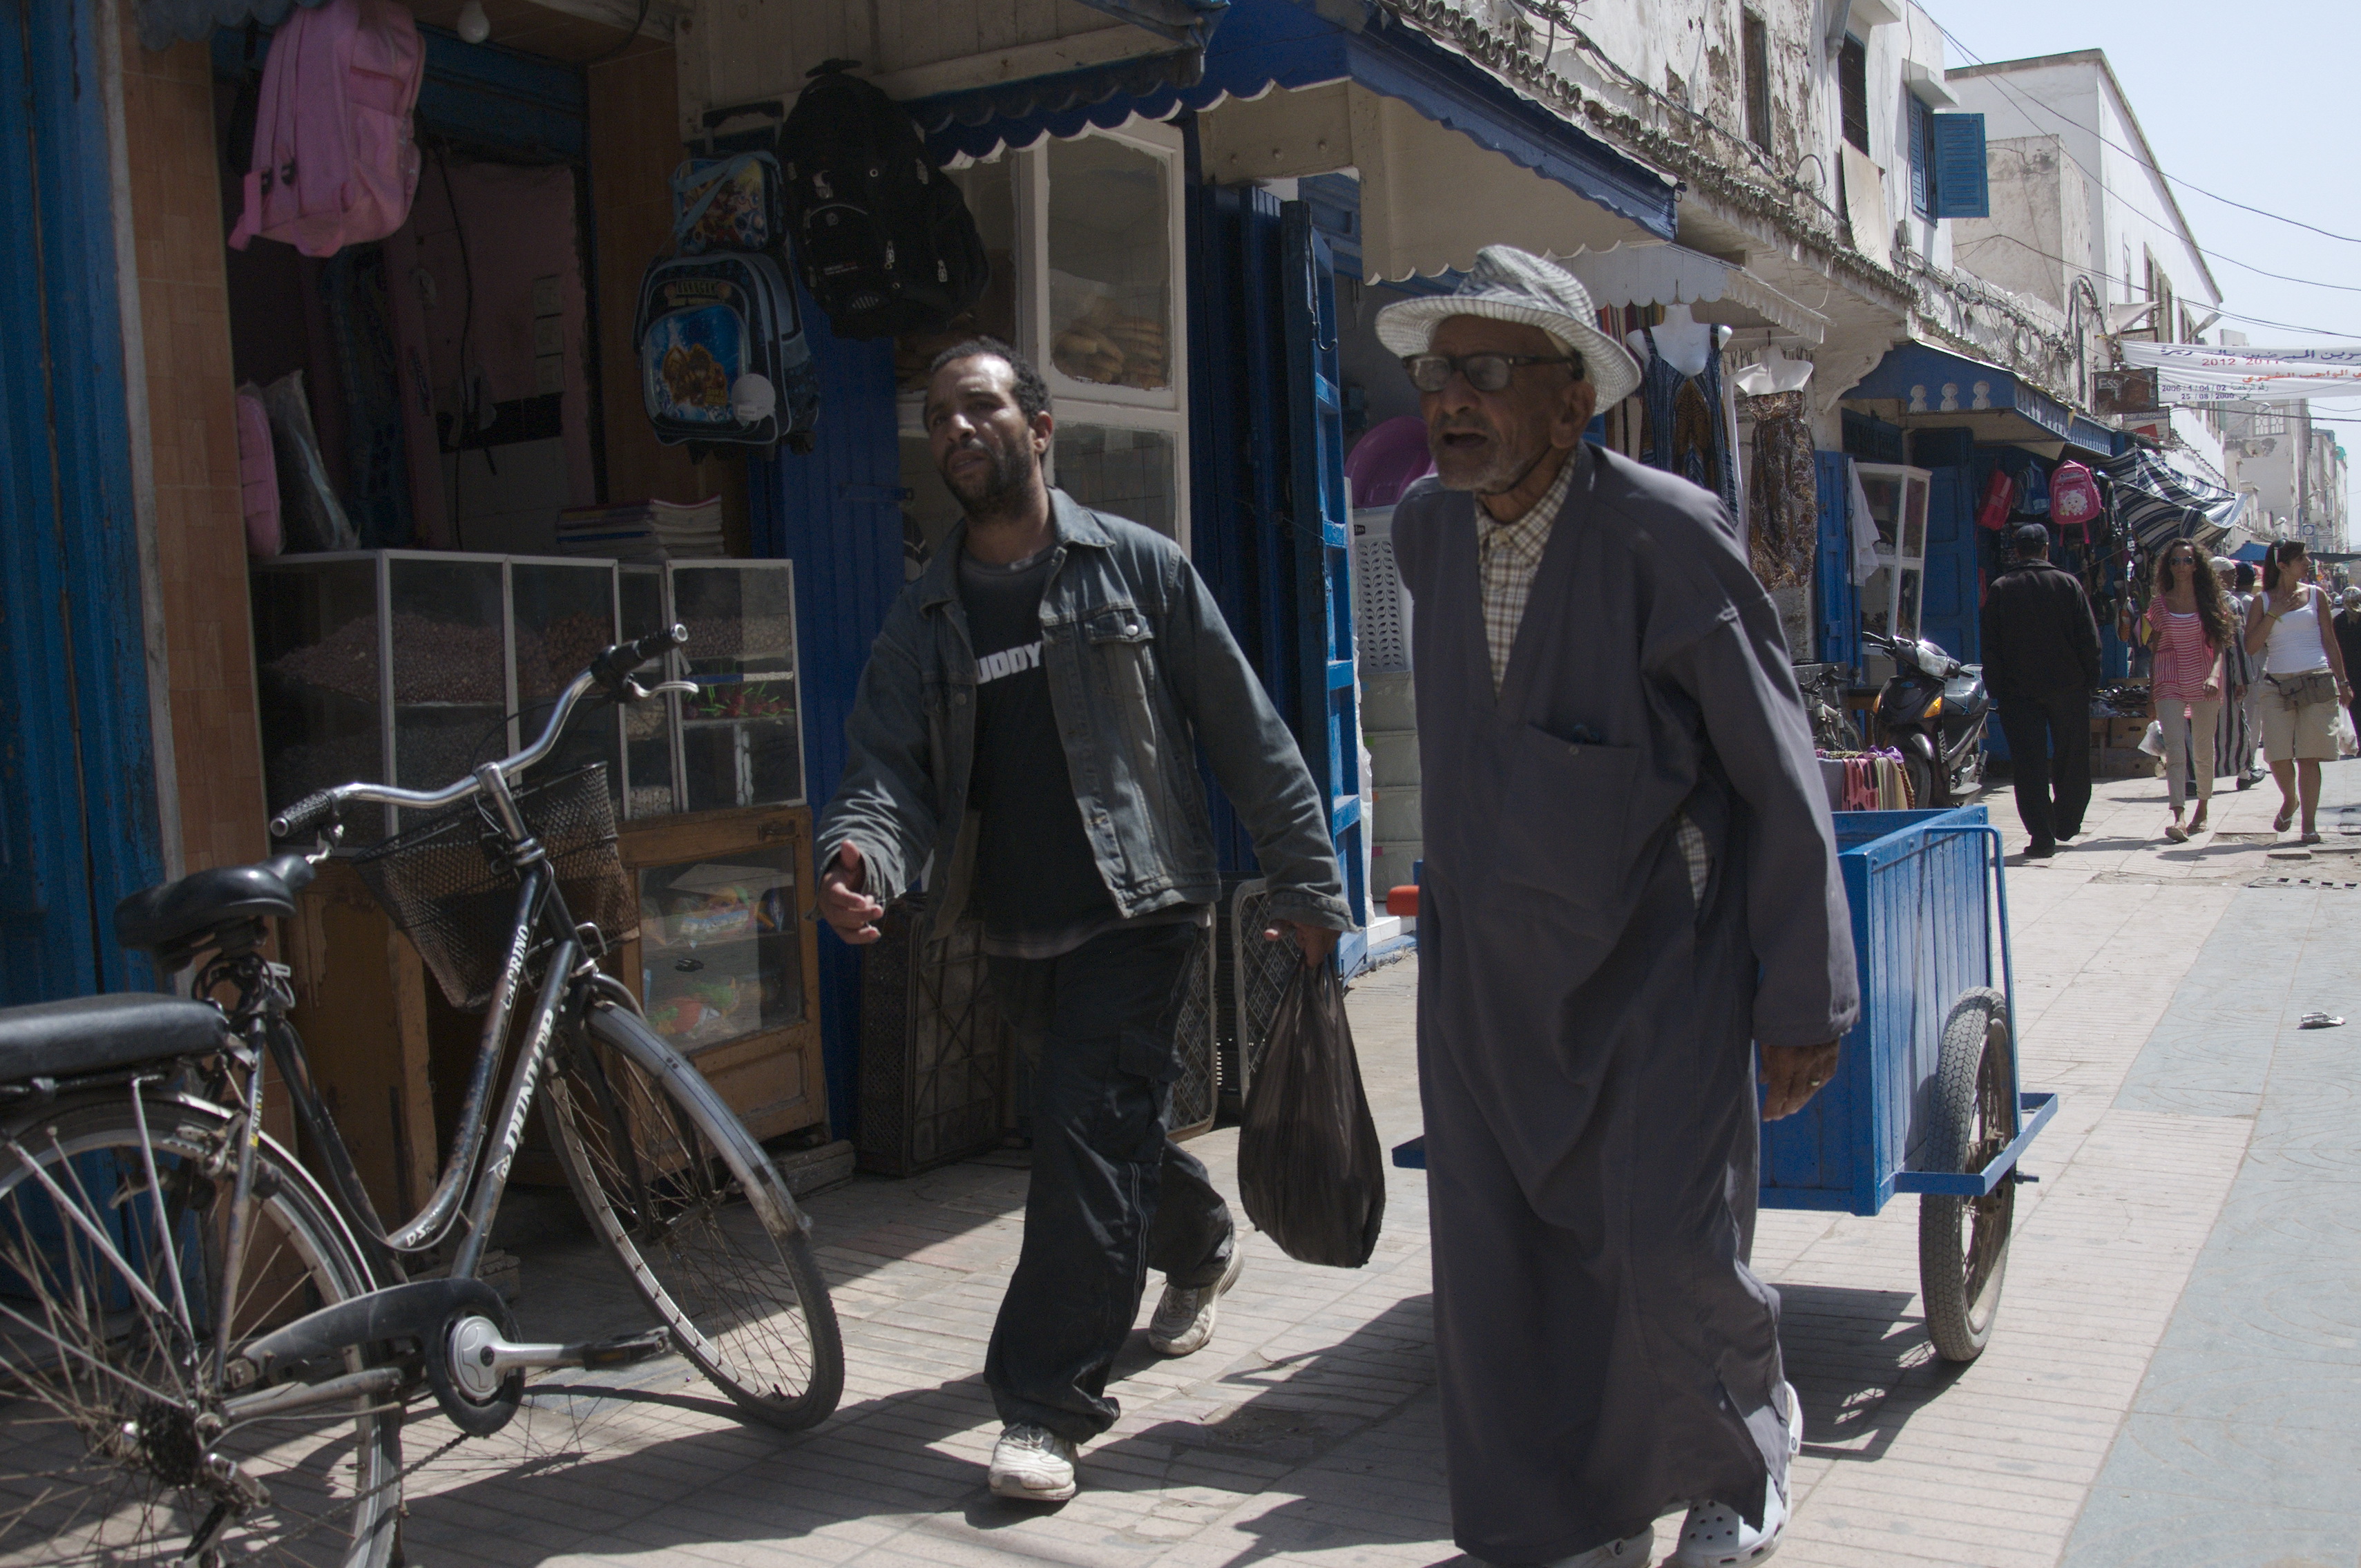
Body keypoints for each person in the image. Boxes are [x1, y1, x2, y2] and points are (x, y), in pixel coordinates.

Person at [1374, 247, 1859, 1568]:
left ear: (1570, 399)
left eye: (1486, 372)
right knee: (1498, 1260)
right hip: (1480, 976)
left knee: (1664, 1248)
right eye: (1438, 373)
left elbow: (1774, 772)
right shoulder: (1423, 529)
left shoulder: (1666, 532)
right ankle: (1557, 1509)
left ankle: (1742, 1457)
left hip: (1656, 970)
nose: (1452, 399)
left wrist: (1800, 993)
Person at [814, 338, 1352, 1504]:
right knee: (1095, 1140)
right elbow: (884, 774)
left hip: (1140, 910)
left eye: (979, 407)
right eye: (937, 417)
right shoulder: (924, 616)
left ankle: (1048, 1403)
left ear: (1038, 428)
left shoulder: (1139, 571)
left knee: (1074, 1144)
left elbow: (1247, 735)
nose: (955, 430)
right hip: (1010, 929)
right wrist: (857, 856)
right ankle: (1200, 1241)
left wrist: (1309, 889)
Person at [1979, 522, 2102, 859]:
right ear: (2047, 549)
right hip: (2068, 688)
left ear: (2017, 551)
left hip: (2019, 693)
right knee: (2072, 757)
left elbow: (1991, 647)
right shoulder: (2068, 584)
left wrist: (1998, 688)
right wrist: (2091, 680)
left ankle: (2043, 835)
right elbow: (2088, 639)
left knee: (2029, 765)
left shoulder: (2002, 588)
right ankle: (2066, 822)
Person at [2244, 539, 2353, 844]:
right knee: (2277, 756)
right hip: (2277, 685)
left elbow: (2330, 642)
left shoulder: (2317, 596)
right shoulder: (2263, 602)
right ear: (2282, 565)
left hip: (2317, 681)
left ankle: (2309, 825)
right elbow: (2251, 646)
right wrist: (2274, 613)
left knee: (2309, 757)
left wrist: (2343, 682)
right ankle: (2290, 800)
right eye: (2301, 559)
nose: (2308, 562)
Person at [2145, 542, 2233, 842]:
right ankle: (2179, 815)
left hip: (2203, 676)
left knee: (2203, 747)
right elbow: (2156, 647)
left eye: (2187, 560)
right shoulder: (2159, 605)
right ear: (2168, 567)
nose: (2181, 566)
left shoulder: (2209, 602)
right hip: (2169, 676)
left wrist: (2213, 675)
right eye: (2175, 561)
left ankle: (2203, 809)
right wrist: (2151, 689)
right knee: (2174, 747)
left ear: (2197, 565)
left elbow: (2219, 645)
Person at [2233, 562, 2267, 786]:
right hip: (2252, 670)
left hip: (2230, 669)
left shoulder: (2224, 601)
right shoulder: (2253, 603)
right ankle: (2248, 764)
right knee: (2252, 719)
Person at [2336, 586, 2361, 744]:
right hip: (2349, 673)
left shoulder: (2338, 622)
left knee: (2355, 708)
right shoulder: (2337, 622)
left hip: (2348, 672)